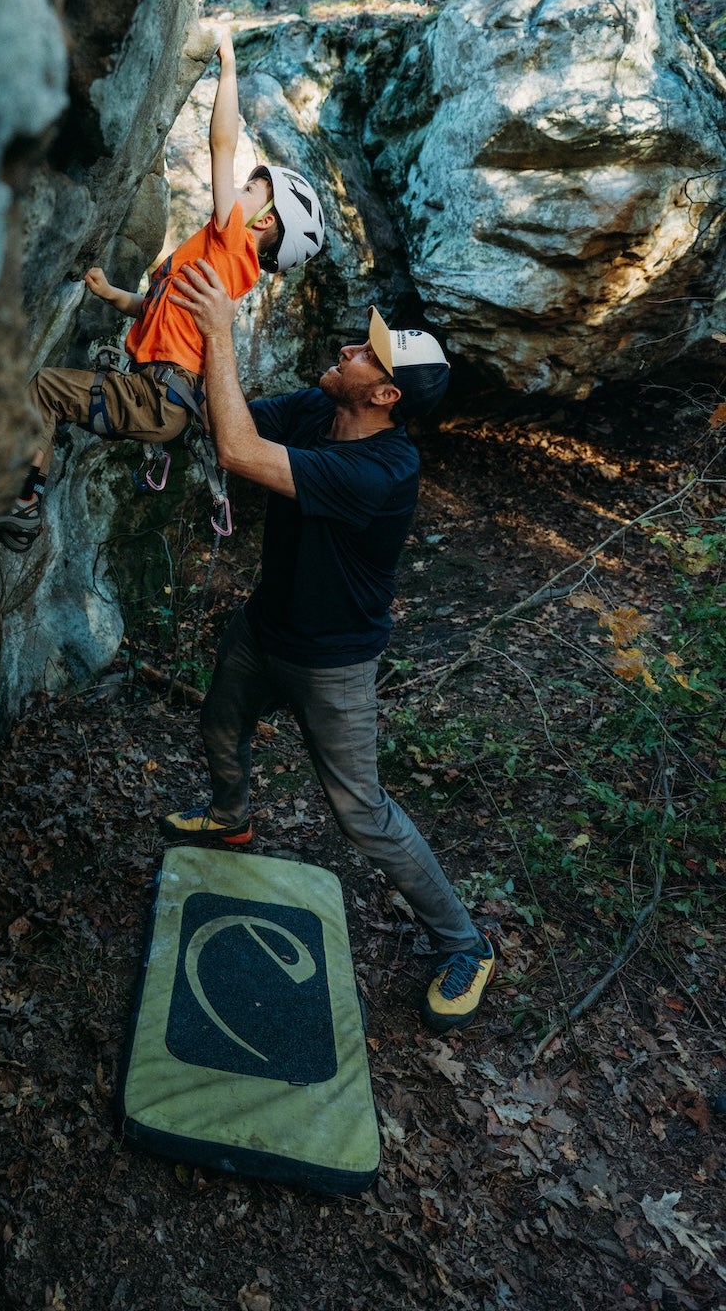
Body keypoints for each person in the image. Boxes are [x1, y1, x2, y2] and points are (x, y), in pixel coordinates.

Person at [158, 273, 495, 1035]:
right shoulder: (321, 409)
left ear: (385, 396)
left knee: (362, 815)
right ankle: (230, 817)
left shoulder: (383, 471)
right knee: (219, 724)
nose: (348, 349)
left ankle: (466, 944)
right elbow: (225, 419)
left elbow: (240, 451)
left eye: (366, 355)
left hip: (333, 662)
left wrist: (219, 331)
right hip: (266, 626)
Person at [0, 25, 325, 552]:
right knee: (53, 394)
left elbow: (222, 143)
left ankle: (23, 503)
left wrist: (228, 64)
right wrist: (113, 295)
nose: (235, 190)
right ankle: (22, 502)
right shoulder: (221, 263)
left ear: (262, 221)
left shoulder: (231, 243)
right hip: (160, 398)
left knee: (46, 390)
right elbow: (162, 310)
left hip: (157, 398)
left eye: (249, 189)